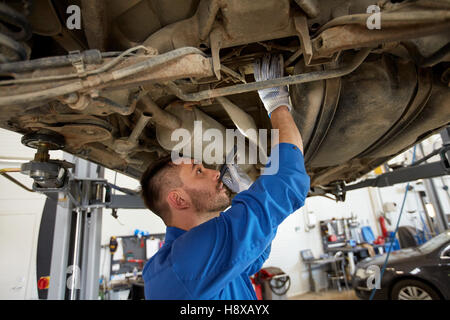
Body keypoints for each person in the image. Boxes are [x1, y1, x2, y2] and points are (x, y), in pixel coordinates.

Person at [139, 54, 310, 299]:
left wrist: (250, 196)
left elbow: (253, 255)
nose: (215, 172)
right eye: (198, 171)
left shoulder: (189, 260)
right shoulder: (186, 262)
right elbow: (286, 180)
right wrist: (277, 103)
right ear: (178, 200)